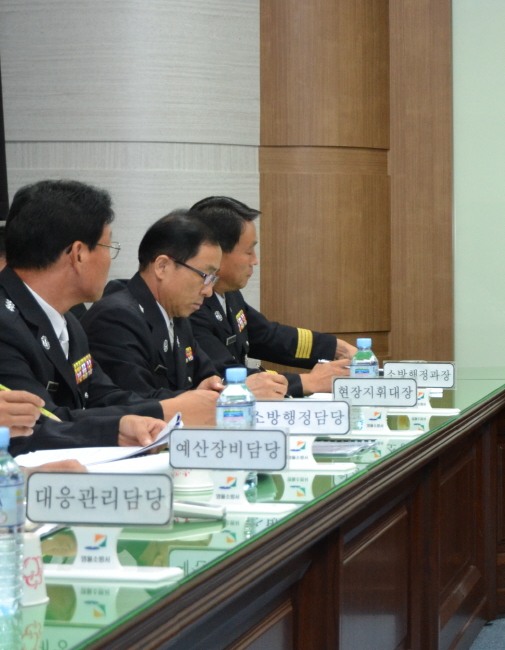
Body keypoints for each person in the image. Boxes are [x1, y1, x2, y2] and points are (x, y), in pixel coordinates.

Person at [0, 180, 166, 453]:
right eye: (108, 247)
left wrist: (173, 407)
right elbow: (36, 423)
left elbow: (100, 394)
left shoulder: (68, 321)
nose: (110, 259)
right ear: (78, 254)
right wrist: (116, 429)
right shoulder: (5, 324)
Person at [84, 213, 289, 418]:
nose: (208, 291)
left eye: (213, 279)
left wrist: (219, 388)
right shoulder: (116, 318)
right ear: (162, 266)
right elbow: (136, 404)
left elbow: (208, 377)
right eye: (204, 276)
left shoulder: (176, 314)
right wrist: (228, 396)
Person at [189, 196, 351, 395]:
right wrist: (308, 381)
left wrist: (336, 347)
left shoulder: (228, 293)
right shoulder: (191, 304)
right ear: (216, 252)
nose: (255, 261)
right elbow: (225, 376)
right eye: (249, 252)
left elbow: (267, 336)